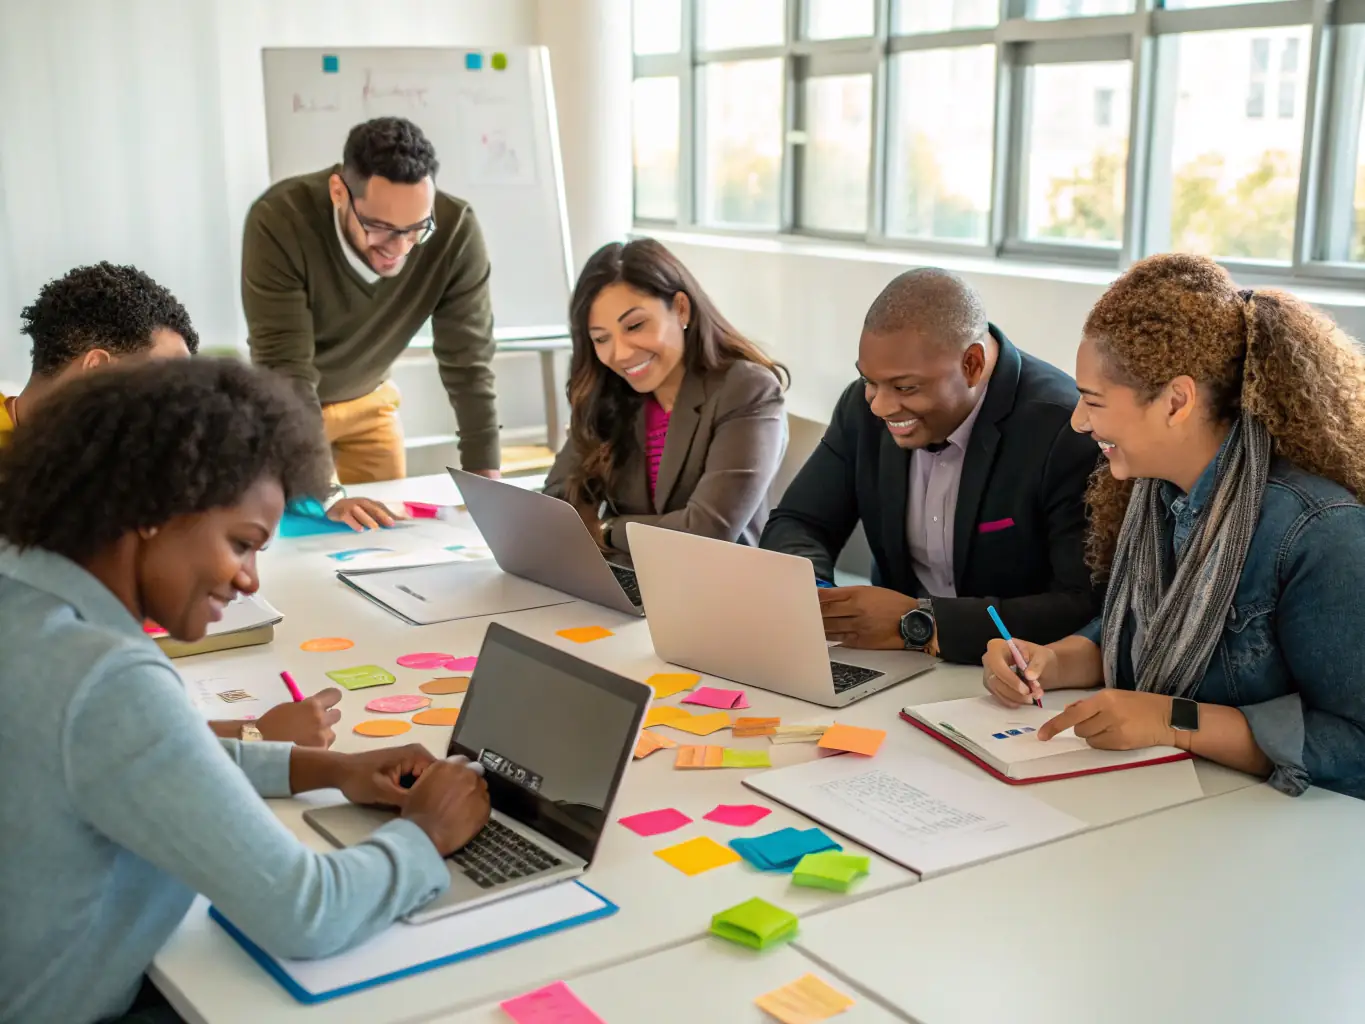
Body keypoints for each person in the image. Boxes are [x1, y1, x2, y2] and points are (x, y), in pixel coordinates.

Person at [0, 358, 491, 1023]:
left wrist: (324, 767)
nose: (251, 580)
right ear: (152, 511)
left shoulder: (25, 593)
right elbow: (306, 912)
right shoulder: (105, 676)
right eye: (243, 543)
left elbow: (145, 759)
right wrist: (427, 830)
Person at [982, 254, 1365, 800]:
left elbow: (1355, 742)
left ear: (1176, 401)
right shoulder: (1151, 496)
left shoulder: (1319, 532)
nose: (1078, 421)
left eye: (1093, 401)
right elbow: (1143, 635)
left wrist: (1172, 721)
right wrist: (1052, 659)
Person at [762, 268, 1099, 664]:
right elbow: (798, 522)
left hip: (1012, 677)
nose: (880, 406)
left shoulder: (1063, 429)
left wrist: (921, 621)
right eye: (870, 381)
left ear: (972, 364)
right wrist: (818, 596)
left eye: (905, 388)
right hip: (894, 664)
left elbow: (1081, 604)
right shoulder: (861, 407)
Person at [243, 115, 501, 484]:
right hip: (290, 411)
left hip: (370, 403)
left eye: (416, 229)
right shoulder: (281, 220)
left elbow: (470, 361)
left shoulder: (455, 230)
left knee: (387, 533)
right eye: (378, 227)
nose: (398, 248)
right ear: (338, 192)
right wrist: (324, 495)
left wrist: (487, 477)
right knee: (305, 529)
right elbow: (286, 369)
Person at [543, 239, 788, 556]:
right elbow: (557, 502)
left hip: (715, 588)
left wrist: (606, 529)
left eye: (635, 325)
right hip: (624, 578)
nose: (621, 354)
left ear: (681, 309)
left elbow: (705, 531)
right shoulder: (610, 393)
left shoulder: (747, 389)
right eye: (601, 339)